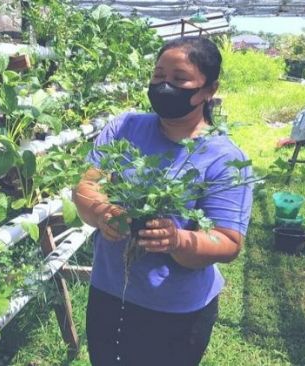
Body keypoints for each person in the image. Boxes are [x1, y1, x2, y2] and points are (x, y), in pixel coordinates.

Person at [72, 36, 253, 366]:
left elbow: (228, 243)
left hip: (176, 313)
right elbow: (86, 187)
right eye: (158, 77)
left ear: (209, 90)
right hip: (109, 293)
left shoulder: (224, 158)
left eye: (179, 79)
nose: (164, 86)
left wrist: (178, 239)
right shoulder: (125, 128)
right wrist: (103, 212)